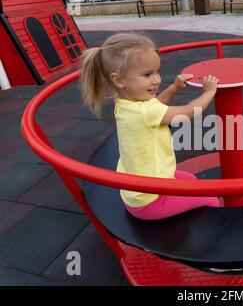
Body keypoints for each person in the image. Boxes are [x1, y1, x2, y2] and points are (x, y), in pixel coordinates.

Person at [80, 32, 220, 220]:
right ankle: (208, 238)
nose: (156, 80)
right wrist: (209, 92)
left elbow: (154, 108)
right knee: (210, 197)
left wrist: (174, 88)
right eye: (147, 74)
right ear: (118, 80)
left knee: (192, 180)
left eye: (156, 72)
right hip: (150, 201)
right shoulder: (146, 111)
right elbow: (190, 112)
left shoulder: (124, 103)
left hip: (140, 188)